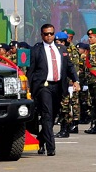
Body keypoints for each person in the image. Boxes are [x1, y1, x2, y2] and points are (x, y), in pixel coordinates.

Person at [27, 24, 79, 156]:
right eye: (46, 34)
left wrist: (76, 80)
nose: (49, 36)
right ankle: (51, 147)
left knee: (53, 115)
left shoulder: (61, 49)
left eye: (51, 33)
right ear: (41, 35)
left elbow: (69, 67)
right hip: (43, 87)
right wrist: (29, 88)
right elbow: (31, 71)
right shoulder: (36, 50)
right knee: (46, 115)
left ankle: (41, 139)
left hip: (58, 87)